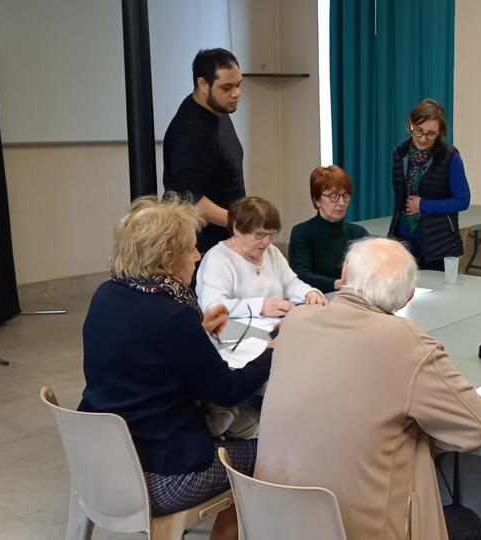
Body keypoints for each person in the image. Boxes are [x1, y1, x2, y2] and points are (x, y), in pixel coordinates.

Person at [255, 238, 481, 540]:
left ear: (344, 273)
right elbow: (474, 427)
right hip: (356, 529)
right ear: (407, 295)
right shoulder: (407, 342)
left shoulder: (296, 320)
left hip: (273, 522)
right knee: (466, 523)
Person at [78, 195, 272, 540]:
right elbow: (226, 390)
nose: (197, 256)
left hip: (104, 464)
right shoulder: (172, 316)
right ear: (167, 258)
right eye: (191, 248)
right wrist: (273, 353)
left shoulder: (106, 295)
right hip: (165, 474)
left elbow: (143, 348)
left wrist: (197, 330)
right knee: (272, 450)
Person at [163, 48, 247, 256]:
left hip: (227, 238)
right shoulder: (190, 130)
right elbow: (188, 198)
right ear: (202, 84)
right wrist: (239, 222)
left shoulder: (217, 108)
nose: (236, 93)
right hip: (202, 248)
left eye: (238, 84)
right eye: (226, 87)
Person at [196, 196, 326, 318]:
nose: (266, 242)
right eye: (259, 235)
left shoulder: (272, 252)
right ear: (237, 229)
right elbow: (212, 306)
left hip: (275, 327)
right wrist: (260, 306)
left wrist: (309, 293)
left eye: (271, 235)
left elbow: (290, 283)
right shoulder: (217, 259)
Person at [387, 98, 471, 270]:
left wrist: (423, 205)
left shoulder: (450, 157)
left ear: (439, 133)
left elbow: (463, 200)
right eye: (419, 131)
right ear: (411, 124)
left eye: (431, 134)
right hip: (404, 240)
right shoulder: (400, 153)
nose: (423, 139)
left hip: (439, 243)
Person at [288, 165, 370, 292]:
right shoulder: (302, 233)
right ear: (317, 200)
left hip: (353, 296)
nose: (341, 203)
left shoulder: (358, 233)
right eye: (334, 196)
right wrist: (337, 284)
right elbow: (301, 275)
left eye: (345, 196)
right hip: (317, 298)